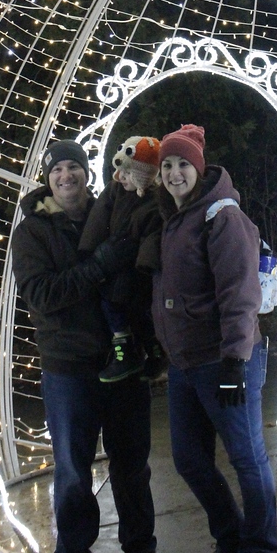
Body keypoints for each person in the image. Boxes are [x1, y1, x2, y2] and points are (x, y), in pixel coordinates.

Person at [11, 140, 167, 553]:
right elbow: (42, 295)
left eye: (73, 167)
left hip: (124, 362)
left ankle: (142, 551)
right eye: (57, 169)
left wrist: (150, 341)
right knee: (74, 472)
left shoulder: (111, 212)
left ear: (86, 172)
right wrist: (98, 265)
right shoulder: (32, 232)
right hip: (69, 369)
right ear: (48, 178)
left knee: (132, 465)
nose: (66, 176)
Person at [152, 125, 277, 553]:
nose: (174, 173)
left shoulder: (222, 217)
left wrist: (235, 360)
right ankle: (231, 538)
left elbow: (240, 294)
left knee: (246, 457)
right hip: (185, 363)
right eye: (167, 165)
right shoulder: (173, 217)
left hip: (224, 358)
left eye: (183, 164)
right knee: (188, 459)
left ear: (199, 168)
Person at [79, 136, 166, 382]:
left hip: (134, 271)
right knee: (112, 305)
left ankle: (150, 350)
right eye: (120, 171)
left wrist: (145, 265)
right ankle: (128, 348)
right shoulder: (114, 191)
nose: (120, 177)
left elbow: (153, 236)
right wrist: (90, 248)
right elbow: (98, 219)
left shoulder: (154, 202)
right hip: (112, 265)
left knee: (137, 312)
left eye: (128, 174)